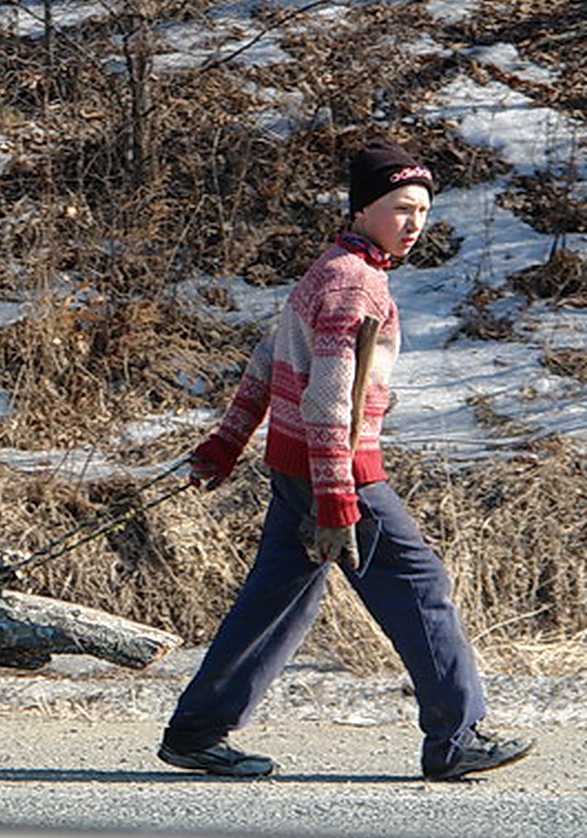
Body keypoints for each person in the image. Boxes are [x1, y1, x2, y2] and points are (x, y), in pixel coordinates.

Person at [157, 140, 534, 781]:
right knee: (421, 589)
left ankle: (196, 732)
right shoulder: (354, 285)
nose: (413, 223)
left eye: (421, 210)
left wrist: (226, 446)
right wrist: (338, 503)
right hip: (339, 471)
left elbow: (265, 363)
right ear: (363, 210)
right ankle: (456, 737)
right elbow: (330, 405)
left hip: (297, 466)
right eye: (400, 208)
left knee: (279, 600)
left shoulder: (331, 269)